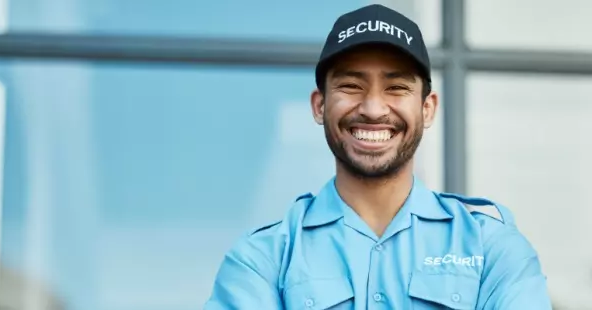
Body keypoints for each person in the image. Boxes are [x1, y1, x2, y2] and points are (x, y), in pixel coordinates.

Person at [204, 4, 552, 310]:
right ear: (319, 105)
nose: (372, 109)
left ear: (427, 109)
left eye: (396, 88)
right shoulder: (263, 259)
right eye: (351, 86)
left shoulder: (492, 248)